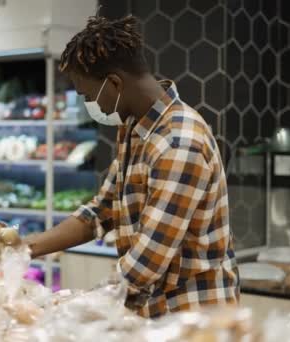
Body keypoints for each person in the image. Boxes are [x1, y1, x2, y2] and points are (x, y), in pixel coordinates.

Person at [24, 14, 239, 318]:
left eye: (89, 96)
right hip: (155, 314)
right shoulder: (135, 128)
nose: (92, 107)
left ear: (114, 83)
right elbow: (102, 210)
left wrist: (71, 308)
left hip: (193, 319)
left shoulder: (178, 144)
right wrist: (23, 248)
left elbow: (146, 264)